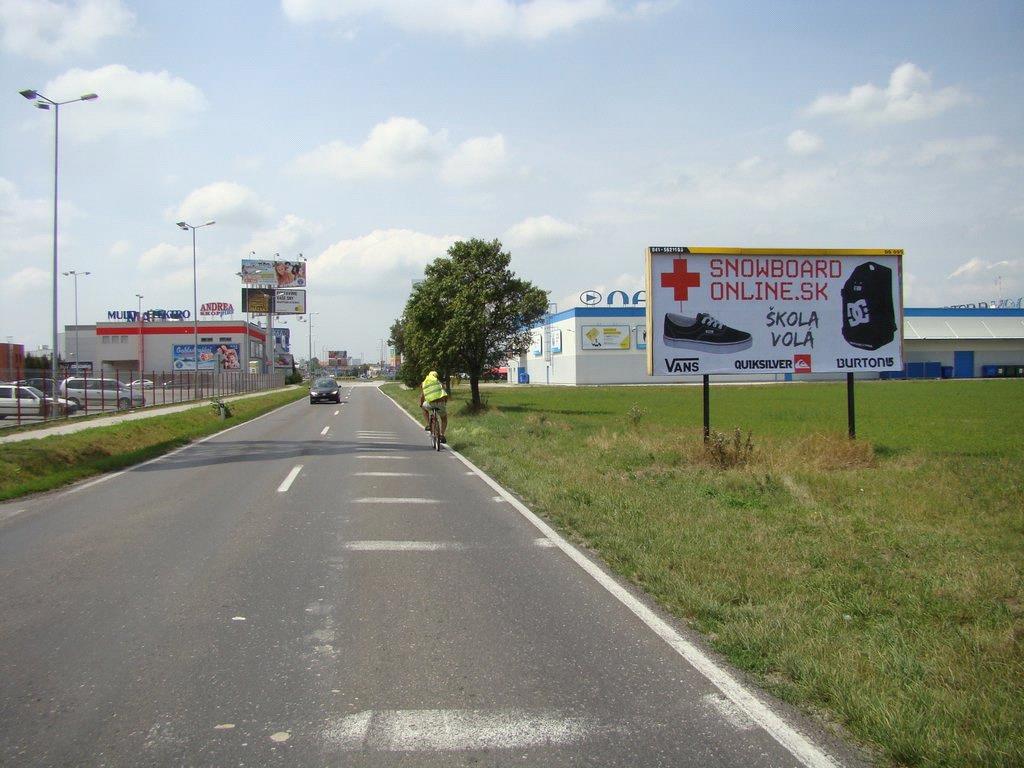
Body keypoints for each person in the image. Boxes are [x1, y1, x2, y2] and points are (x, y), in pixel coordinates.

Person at [419, 370, 448, 444]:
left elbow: (422, 396)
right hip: (440, 403)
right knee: (444, 418)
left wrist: (421, 404)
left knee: (424, 408)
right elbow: (445, 394)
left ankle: (428, 425)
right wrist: (444, 403)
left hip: (430, 404)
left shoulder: (424, 383)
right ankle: (442, 435)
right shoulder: (439, 383)